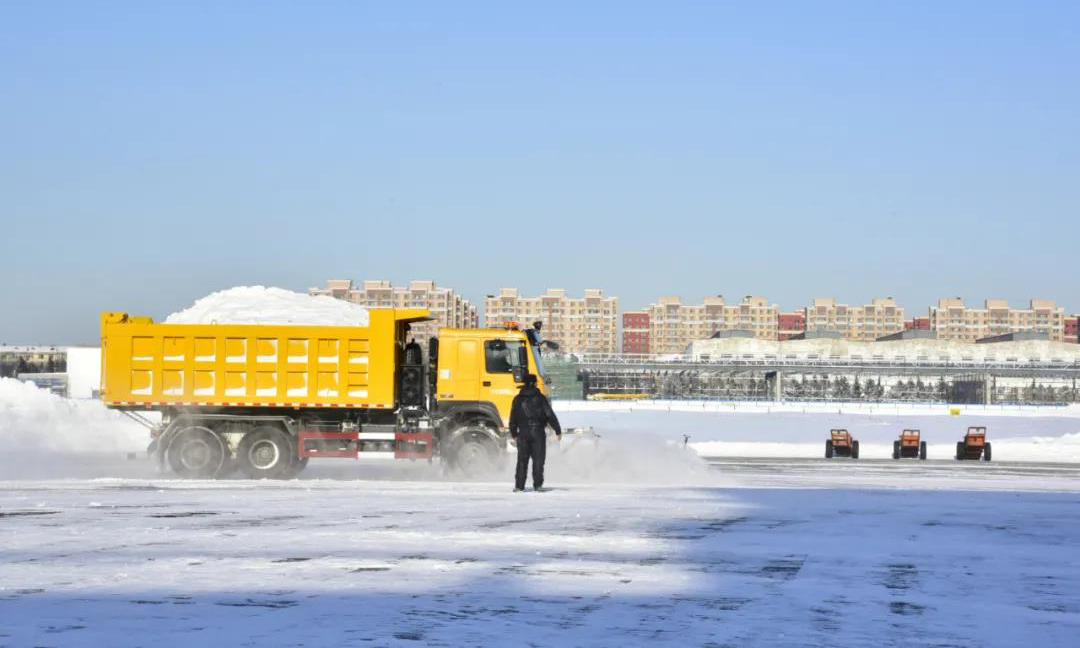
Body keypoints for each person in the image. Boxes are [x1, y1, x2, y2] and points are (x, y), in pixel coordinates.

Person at [508, 373, 561, 492]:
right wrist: (557, 430)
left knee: (522, 460)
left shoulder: (517, 399)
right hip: (538, 433)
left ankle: (519, 486)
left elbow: (512, 418)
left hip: (522, 433)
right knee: (538, 460)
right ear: (535, 383)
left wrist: (514, 433)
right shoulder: (540, 398)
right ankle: (538, 485)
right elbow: (549, 415)